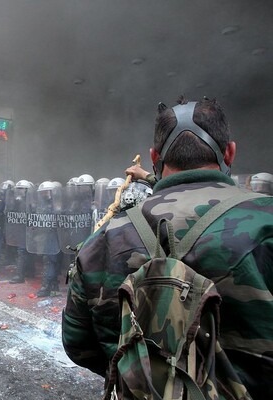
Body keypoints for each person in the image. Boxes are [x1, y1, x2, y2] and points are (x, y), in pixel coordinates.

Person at [62, 96, 273, 398]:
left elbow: (78, 344)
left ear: (153, 157)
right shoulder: (265, 220)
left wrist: (147, 378)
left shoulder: (105, 238)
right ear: (229, 152)